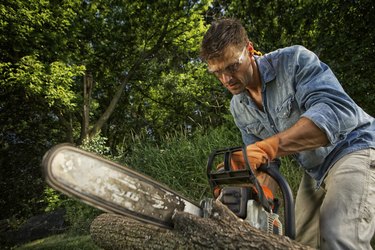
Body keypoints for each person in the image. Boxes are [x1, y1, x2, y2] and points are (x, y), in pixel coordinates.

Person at [200, 18, 375, 249]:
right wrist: (246, 187)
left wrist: (266, 148)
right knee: (299, 242)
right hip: (315, 171)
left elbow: (335, 113)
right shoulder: (239, 107)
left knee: (338, 235)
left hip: (355, 149)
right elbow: (265, 166)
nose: (226, 79)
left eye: (233, 66)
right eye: (218, 72)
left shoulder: (293, 61)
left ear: (249, 50)